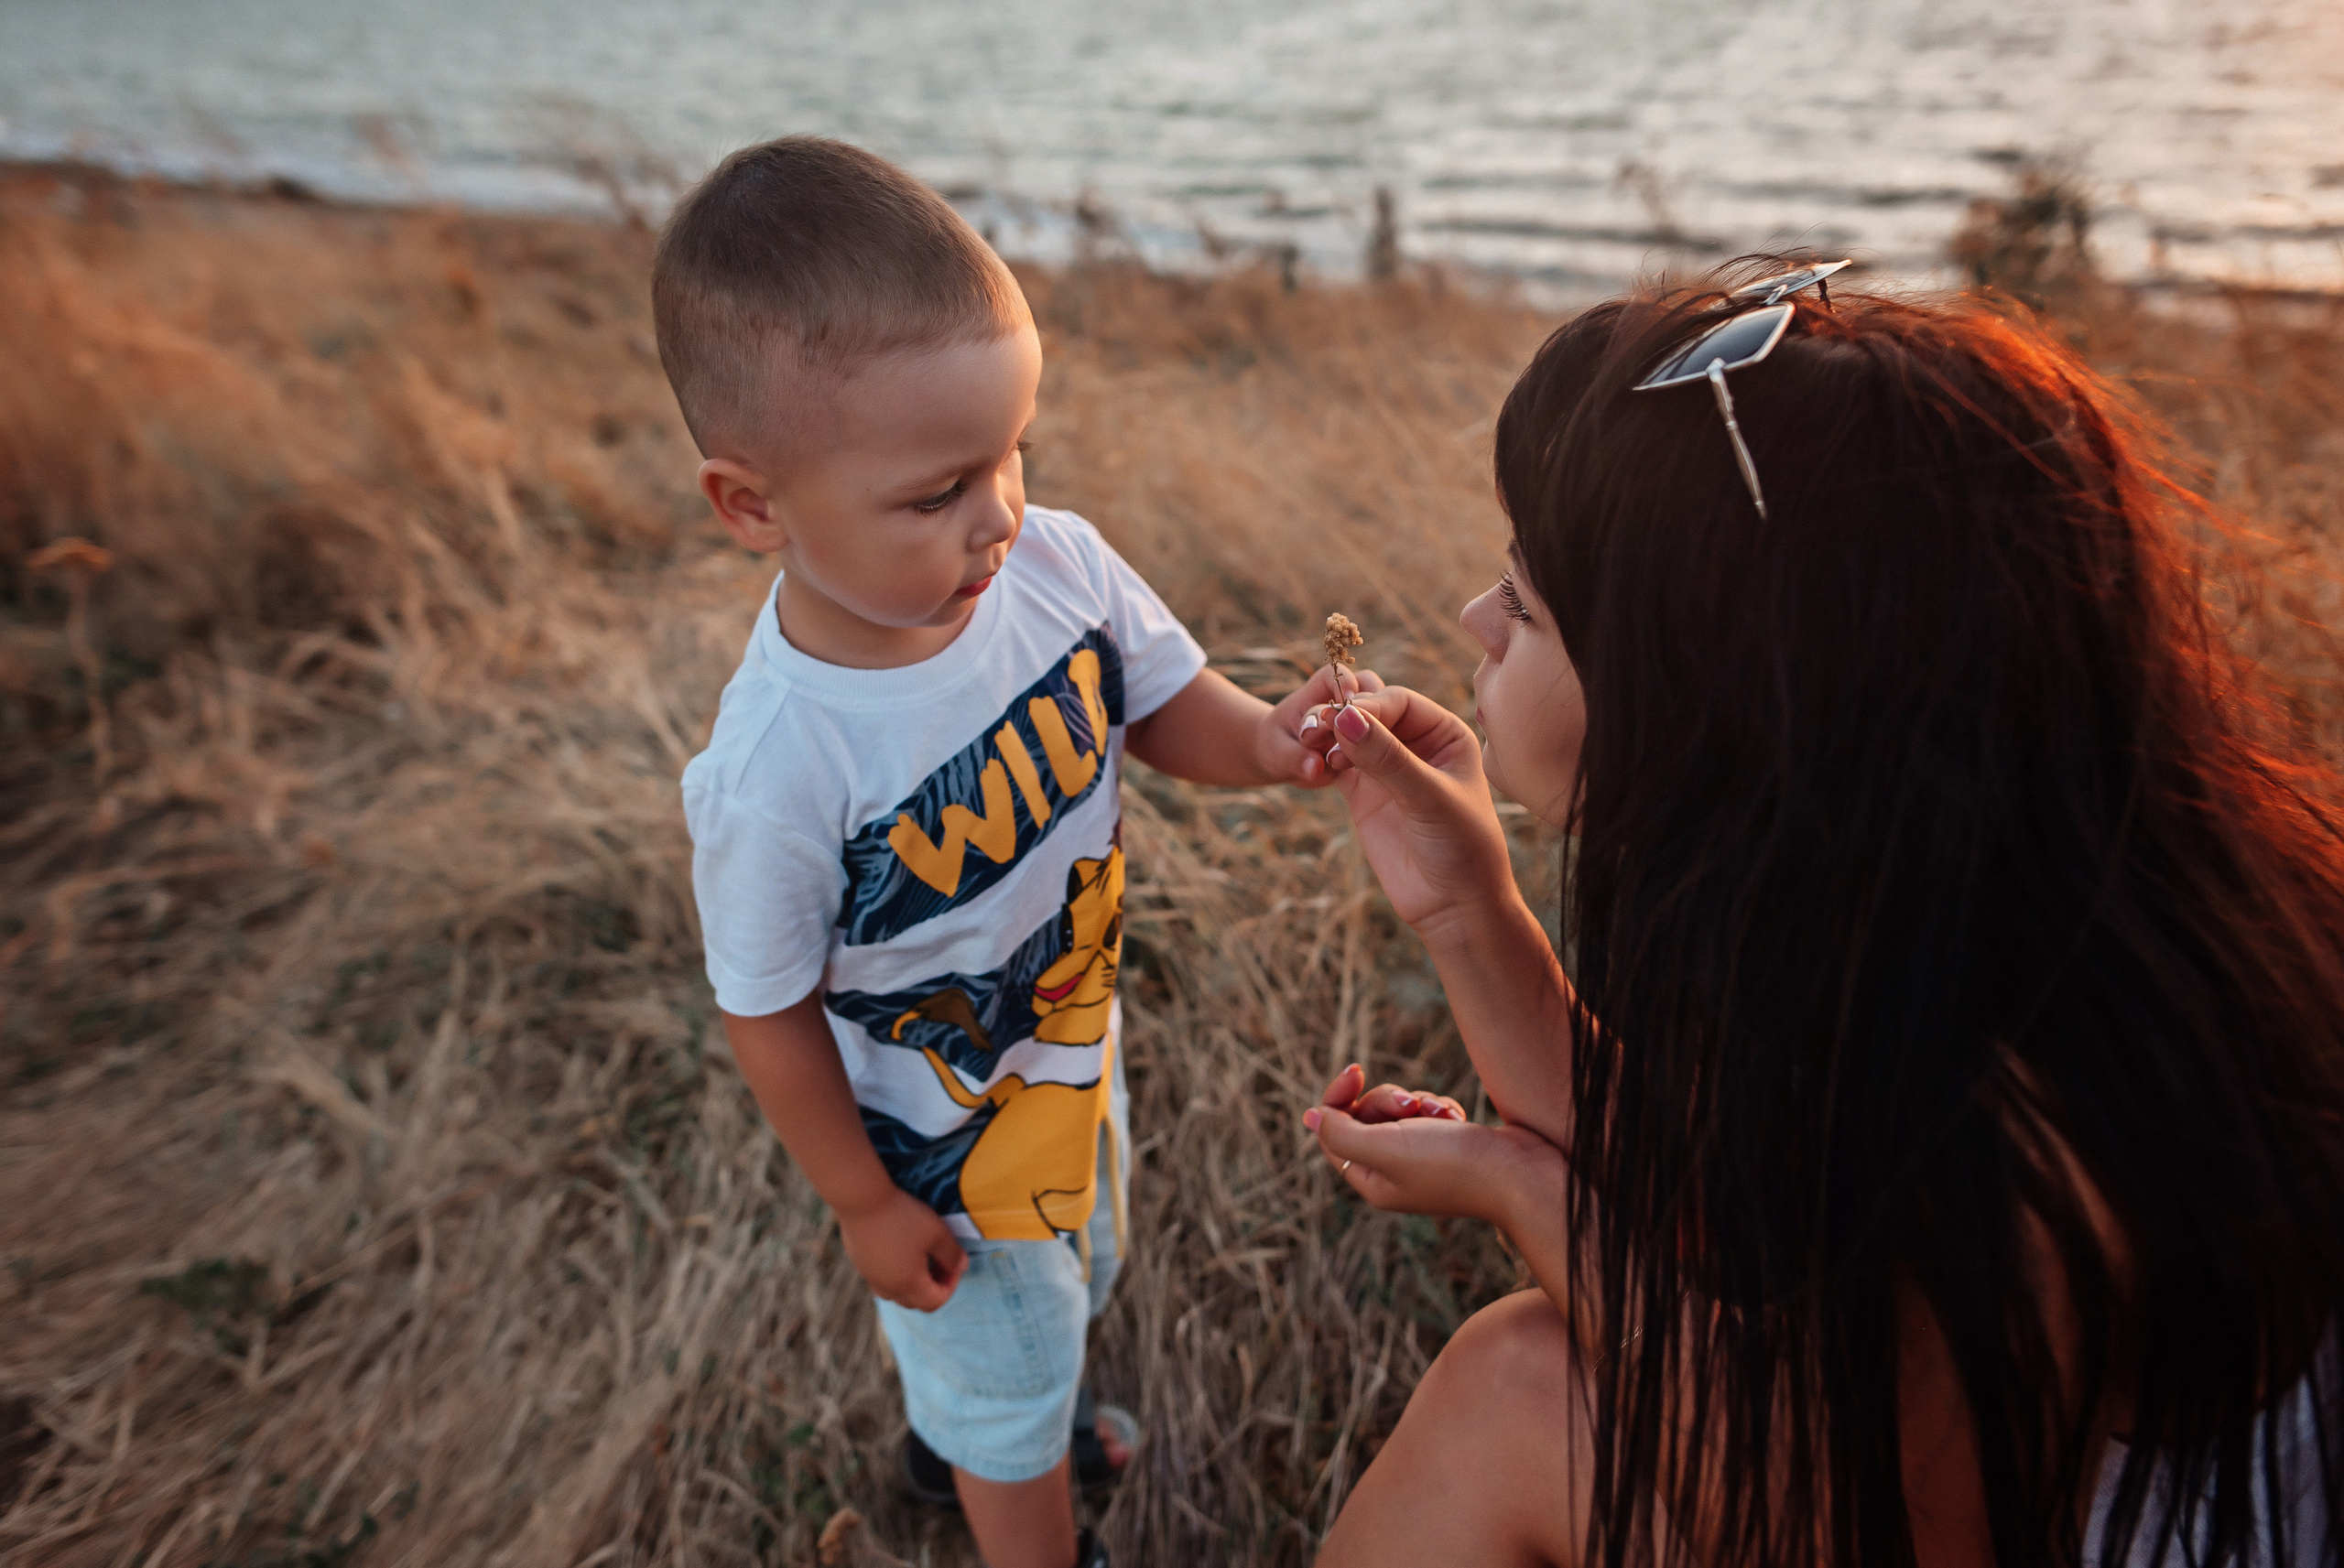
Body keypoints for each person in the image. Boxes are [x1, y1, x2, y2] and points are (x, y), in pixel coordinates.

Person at [1297, 262, 2344, 1567]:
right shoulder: (1988, 912)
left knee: (1513, 1392)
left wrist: (1524, 1190)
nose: (1476, 620)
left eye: (1527, 600)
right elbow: (1736, 1220)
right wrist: (1466, 906)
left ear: (1710, 694)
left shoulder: (2042, 1121)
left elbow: (1858, 1527)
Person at [657, 138, 1363, 1568]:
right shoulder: (784, 764)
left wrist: (1267, 741)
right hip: (935, 1148)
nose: (998, 514)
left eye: (1012, 451)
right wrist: (864, 1199)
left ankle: (960, 1433)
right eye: (936, 495)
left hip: (1068, 1051)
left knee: (1083, 1264)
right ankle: (1016, 1496)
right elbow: (766, 1007)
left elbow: (1158, 701)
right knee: (1015, 1356)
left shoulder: (1057, 568)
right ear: (754, 507)